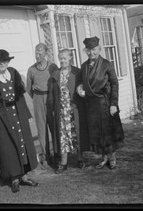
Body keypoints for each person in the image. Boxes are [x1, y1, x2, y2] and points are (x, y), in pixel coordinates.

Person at [0, 49, 39, 193]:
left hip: (18, 114)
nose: (2, 64)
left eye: (5, 61)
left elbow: (20, 97)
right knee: (9, 148)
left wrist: (27, 115)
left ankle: (24, 175)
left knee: (22, 143)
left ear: (8, 62)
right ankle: (14, 178)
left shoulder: (13, 73)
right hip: (2, 118)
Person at [77, 36, 125, 170]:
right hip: (91, 105)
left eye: (94, 50)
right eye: (89, 50)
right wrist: (80, 87)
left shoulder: (106, 64)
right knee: (97, 134)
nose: (92, 53)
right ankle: (104, 158)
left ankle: (112, 158)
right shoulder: (84, 66)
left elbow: (114, 83)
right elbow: (82, 82)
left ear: (99, 49)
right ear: (85, 51)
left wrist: (114, 103)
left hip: (104, 103)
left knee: (107, 132)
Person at [48, 49, 89, 174]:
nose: (62, 61)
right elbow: (51, 95)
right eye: (60, 58)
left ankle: (80, 158)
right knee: (63, 135)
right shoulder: (55, 75)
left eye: (65, 58)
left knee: (76, 133)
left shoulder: (77, 72)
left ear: (70, 58)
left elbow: (83, 88)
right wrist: (52, 108)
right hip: (61, 110)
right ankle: (64, 162)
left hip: (74, 108)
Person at [26, 43, 59, 169]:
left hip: (51, 98)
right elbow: (28, 88)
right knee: (41, 129)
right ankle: (46, 157)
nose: (37, 55)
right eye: (36, 52)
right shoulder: (31, 69)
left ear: (45, 53)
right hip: (38, 98)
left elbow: (58, 83)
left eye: (40, 52)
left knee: (54, 127)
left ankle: (57, 155)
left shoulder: (53, 67)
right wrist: (37, 97)